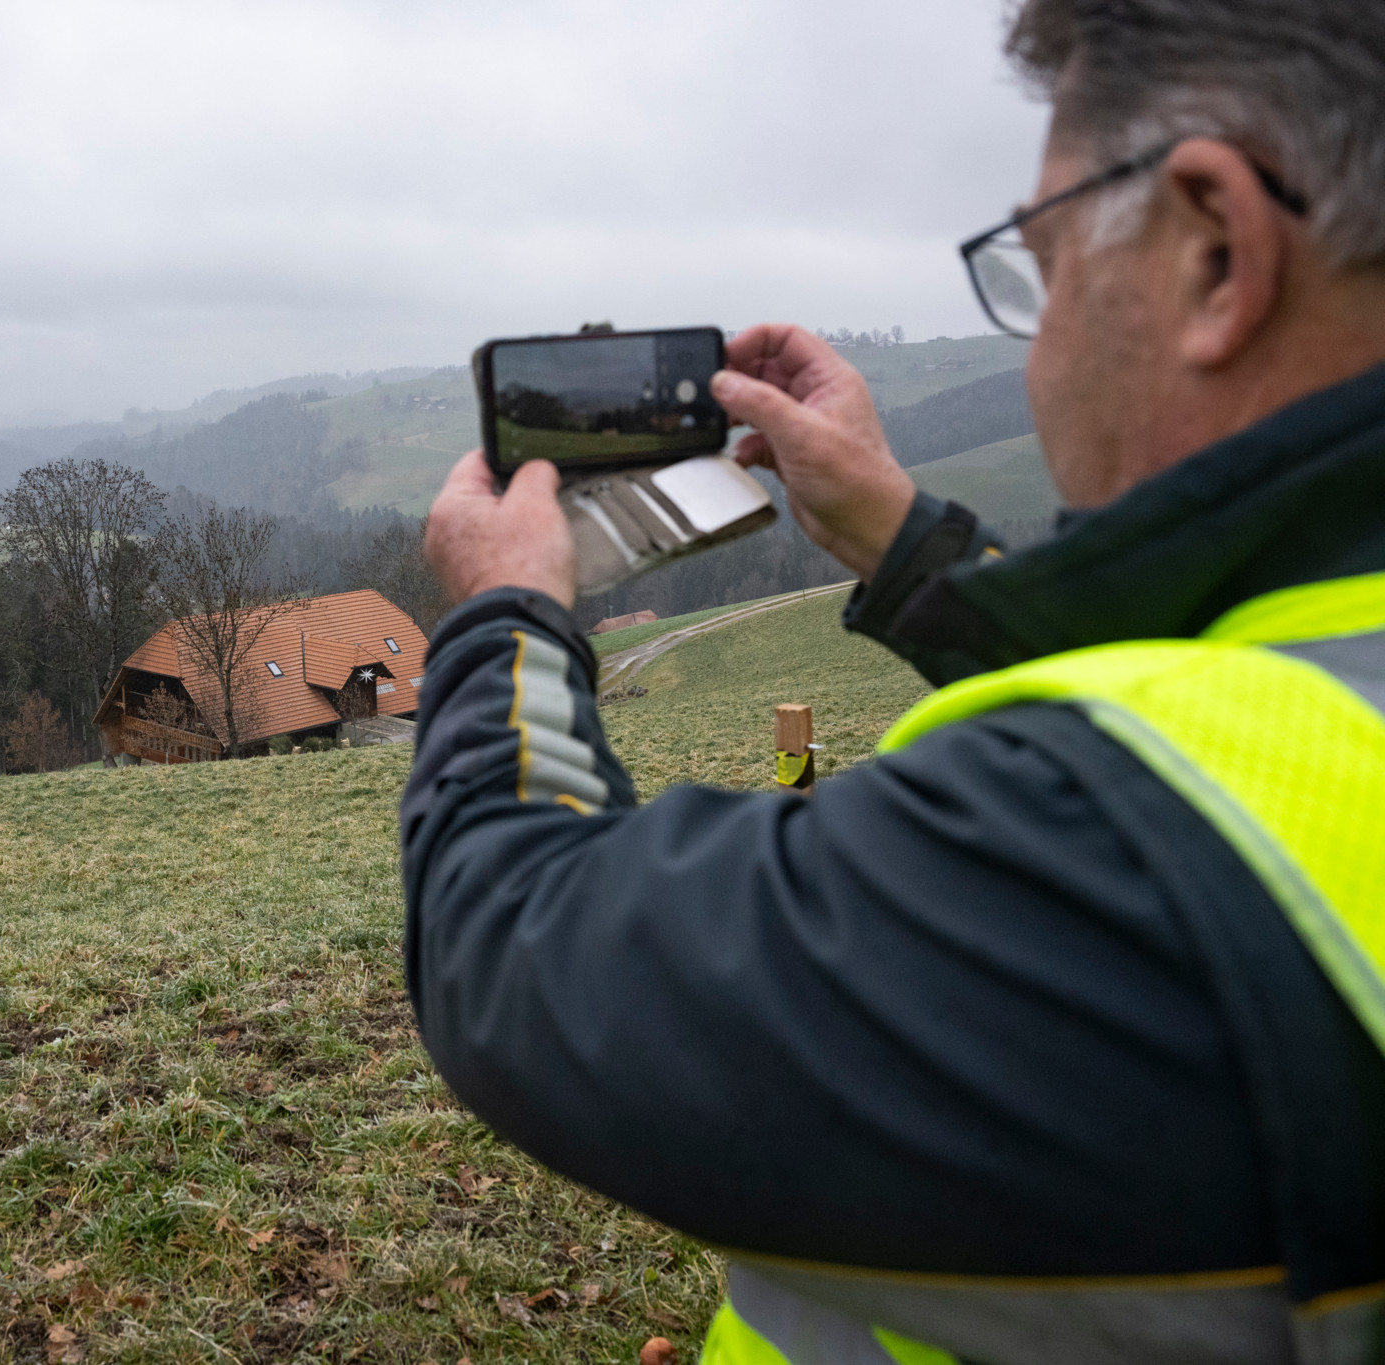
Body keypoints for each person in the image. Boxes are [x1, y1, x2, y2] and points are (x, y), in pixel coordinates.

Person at [401, 2, 1385, 1361]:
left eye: (1037, 270)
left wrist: (510, 613)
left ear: (1218, 251)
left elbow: (521, 949)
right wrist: (902, 540)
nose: (1035, 347)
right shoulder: (1301, 714)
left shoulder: (1120, 859)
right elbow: (1241, 713)